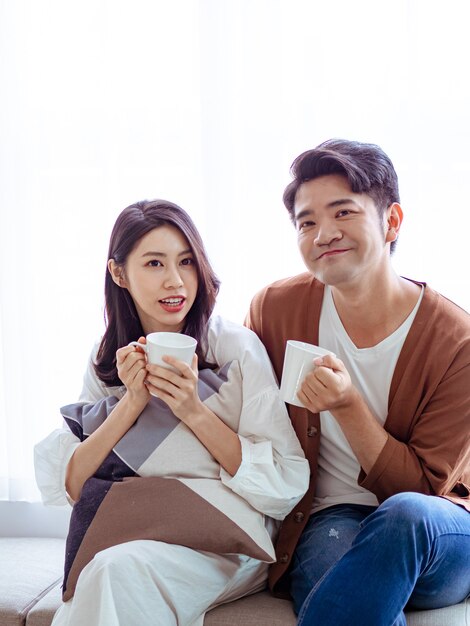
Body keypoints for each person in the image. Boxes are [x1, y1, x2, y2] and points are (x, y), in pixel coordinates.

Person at [34, 199, 309, 626]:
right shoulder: (108, 359)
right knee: (106, 570)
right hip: (132, 533)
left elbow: (283, 484)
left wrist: (193, 411)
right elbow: (71, 485)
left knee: (113, 572)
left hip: (223, 541)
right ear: (119, 274)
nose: (176, 281)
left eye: (186, 262)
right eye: (154, 264)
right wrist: (132, 402)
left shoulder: (235, 350)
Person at [246, 139, 470, 626]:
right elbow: (240, 408)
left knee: (406, 515)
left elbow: (424, 491)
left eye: (342, 212)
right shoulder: (275, 310)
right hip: (331, 520)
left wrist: (347, 405)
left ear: (391, 222)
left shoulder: (457, 341)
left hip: (437, 529)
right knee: (343, 585)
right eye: (306, 222)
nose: (323, 233)